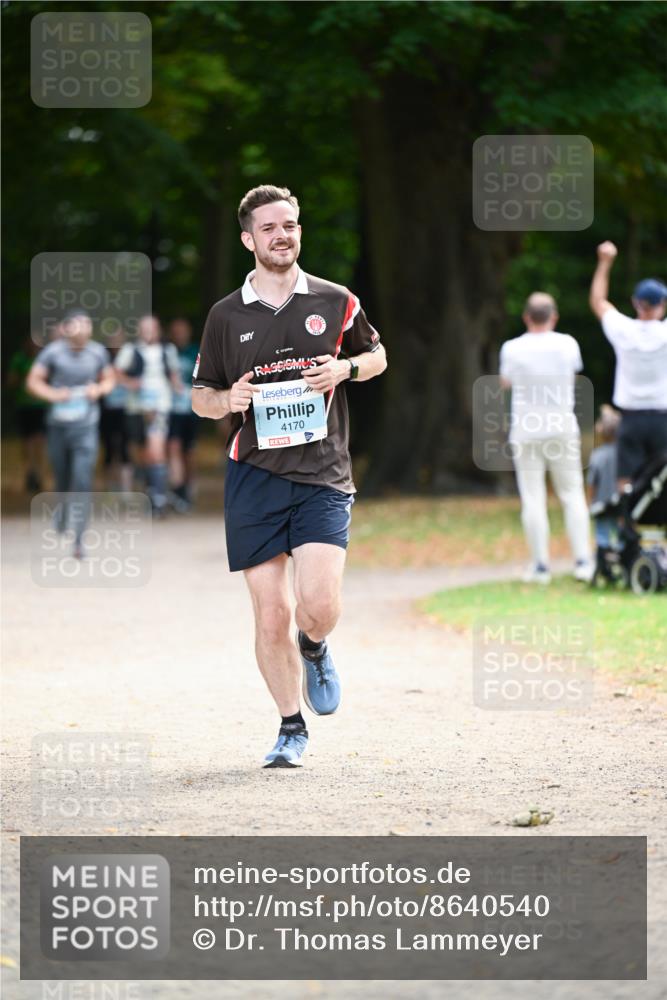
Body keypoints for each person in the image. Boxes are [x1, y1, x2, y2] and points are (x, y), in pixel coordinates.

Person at [192, 184, 387, 768]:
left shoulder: (335, 299)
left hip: (323, 472)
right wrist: (228, 400)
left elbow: (377, 357)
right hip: (254, 476)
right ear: (248, 239)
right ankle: (290, 727)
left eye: (290, 225)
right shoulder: (225, 315)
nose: (282, 236)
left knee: (318, 606)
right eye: (270, 228)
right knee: (271, 613)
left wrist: (345, 369)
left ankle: (316, 646)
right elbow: (201, 397)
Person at [499, 292, 593, 584]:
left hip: (526, 429)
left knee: (533, 498)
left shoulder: (512, 348)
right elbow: (573, 375)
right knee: (572, 494)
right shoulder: (568, 344)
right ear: (554, 317)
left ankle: (540, 566)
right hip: (561, 426)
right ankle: (583, 561)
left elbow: (505, 382)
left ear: (526, 317)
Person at [26, 310, 115, 557]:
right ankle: (62, 510)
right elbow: (33, 381)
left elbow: (109, 379)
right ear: (66, 328)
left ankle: (79, 541)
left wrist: (98, 389)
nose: (83, 328)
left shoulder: (97, 352)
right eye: (78, 324)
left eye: (87, 324)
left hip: (86, 427)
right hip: (58, 426)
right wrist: (53, 394)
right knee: (63, 478)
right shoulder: (52, 353)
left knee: (82, 479)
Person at [589, 241, 667, 491]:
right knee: (663, 477)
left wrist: (605, 262)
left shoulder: (623, 331)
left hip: (631, 418)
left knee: (625, 478)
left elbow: (598, 301)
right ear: (662, 304)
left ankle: (626, 513)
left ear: (635, 302)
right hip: (662, 417)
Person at [115, 315, 182, 516]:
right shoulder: (130, 350)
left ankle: (159, 499)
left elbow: (174, 376)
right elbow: (116, 373)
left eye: (152, 328)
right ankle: (151, 491)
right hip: (136, 407)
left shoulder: (168, 350)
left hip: (160, 406)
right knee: (142, 453)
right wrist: (130, 383)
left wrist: (180, 390)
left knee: (156, 448)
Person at [7, 336, 48, 493]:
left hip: (41, 405)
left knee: (40, 440)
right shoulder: (19, 359)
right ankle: (30, 472)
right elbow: (11, 381)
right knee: (28, 440)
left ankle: (39, 473)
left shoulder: (44, 358)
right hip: (24, 405)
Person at [167, 317, 200, 511]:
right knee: (173, 447)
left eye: (182, 331)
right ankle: (177, 488)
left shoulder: (196, 351)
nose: (179, 335)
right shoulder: (167, 351)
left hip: (192, 409)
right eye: (176, 332)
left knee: (189, 452)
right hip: (172, 409)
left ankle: (189, 488)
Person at [99, 326, 132, 493]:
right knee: (108, 449)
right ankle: (109, 488)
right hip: (106, 410)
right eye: (112, 338)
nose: (115, 342)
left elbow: (136, 381)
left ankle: (126, 489)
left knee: (125, 448)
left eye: (118, 338)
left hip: (126, 409)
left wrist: (120, 377)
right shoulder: (102, 358)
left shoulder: (131, 357)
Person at [587, 404, 621, 550]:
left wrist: (590, 501)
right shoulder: (624, 455)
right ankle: (622, 554)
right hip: (620, 504)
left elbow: (592, 483)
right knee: (620, 534)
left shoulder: (597, 455)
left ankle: (603, 556)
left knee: (602, 534)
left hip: (601, 505)